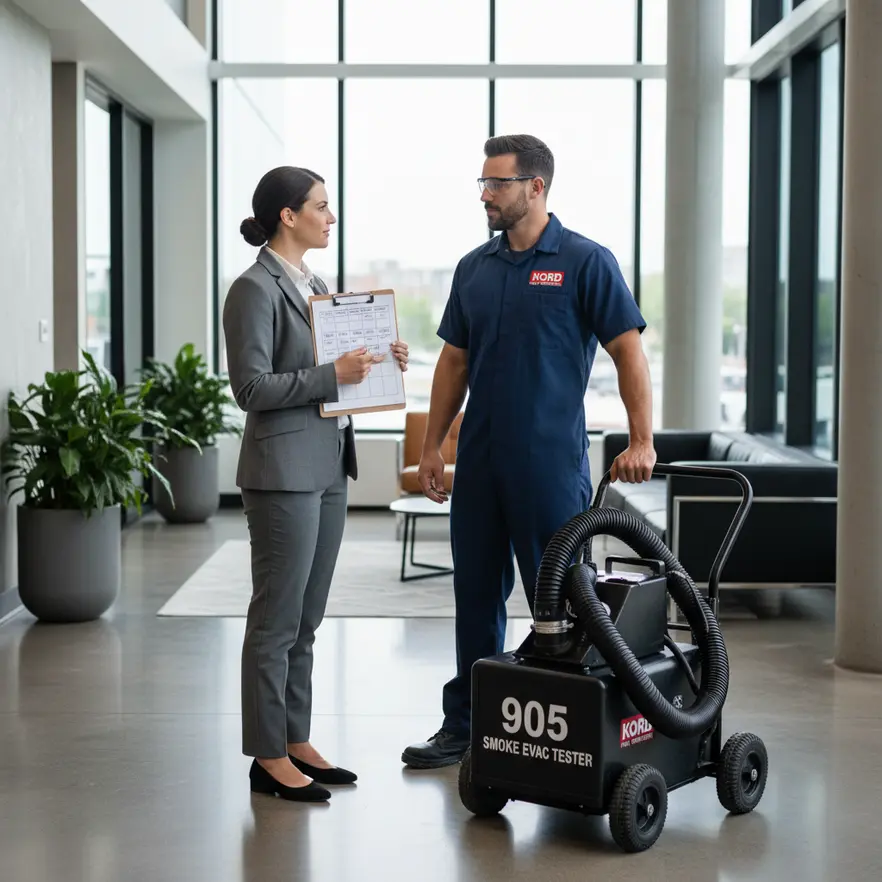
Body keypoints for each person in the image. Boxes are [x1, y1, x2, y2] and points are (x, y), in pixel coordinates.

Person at [401, 135, 656, 769]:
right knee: (475, 595)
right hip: (481, 463)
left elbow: (628, 351)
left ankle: (567, 730)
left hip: (548, 465)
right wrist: (433, 445)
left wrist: (642, 439)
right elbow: (454, 361)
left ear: (535, 187)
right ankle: (466, 723)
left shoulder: (584, 261)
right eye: (483, 183)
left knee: (564, 601)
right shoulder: (474, 268)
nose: (485, 195)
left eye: (497, 184)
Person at [223, 166, 410, 801]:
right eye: (322, 207)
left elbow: (334, 366)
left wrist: (382, 360)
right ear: (288, 215)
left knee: (306, 617)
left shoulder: (316, 282)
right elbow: (250, 389)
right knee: (275, 619)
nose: (330, 218)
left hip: (328, 465)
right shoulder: (254, 288)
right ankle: (266, 754)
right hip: (282, 475)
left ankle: (295, 737)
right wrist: (335, 373)